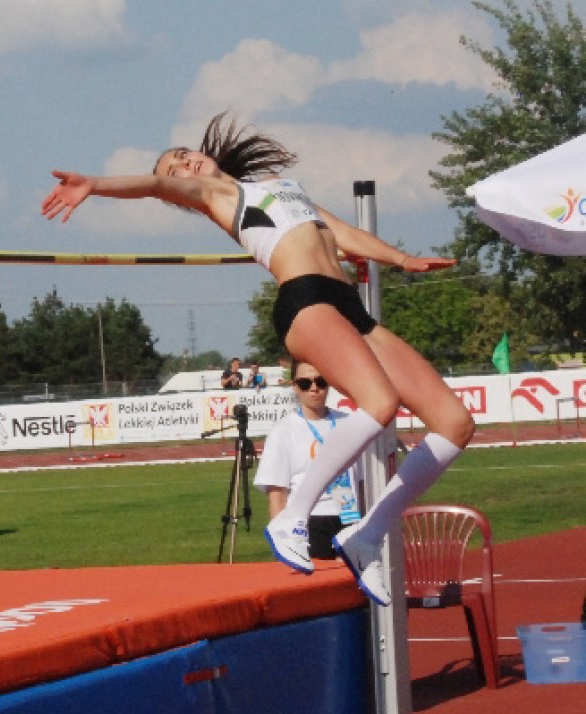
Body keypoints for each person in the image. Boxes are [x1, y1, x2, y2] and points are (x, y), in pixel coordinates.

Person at [41, 111, 474, 605]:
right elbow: (154, 185)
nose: (184, 164)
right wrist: (95, 184)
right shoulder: (215, 195)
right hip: (305, 301)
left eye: (184, 155)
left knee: (454, 422)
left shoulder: (278, 185)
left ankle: (367, 535)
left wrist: (402, 259)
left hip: (348, 306)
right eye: (174, 169)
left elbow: (337, 231)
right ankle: (293, 516)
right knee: (379, 404)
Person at [254, 360, 363, 559]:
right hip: (308, 522)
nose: (314, 388)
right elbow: (277, 493)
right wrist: (283, 540)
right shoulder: (283, 430)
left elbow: (362, 482)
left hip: (350, 517)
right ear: (295, 386)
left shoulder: (349, 423)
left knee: (353, 579)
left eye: (320, 382)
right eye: (305, 383)